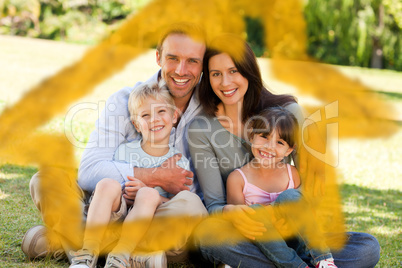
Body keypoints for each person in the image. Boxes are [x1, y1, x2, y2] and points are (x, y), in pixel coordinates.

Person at [188, 33, 380, 267]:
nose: (225, 83)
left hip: (296, 235)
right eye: (216, 74)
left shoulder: (288, 112)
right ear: (208, 79)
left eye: (233, 71)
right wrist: (231, 213)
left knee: (368, 248)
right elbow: (214, 206)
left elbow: (314, 190)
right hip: (252, 236)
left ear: (249, 71)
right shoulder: (201, 128)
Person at [22, 23, 208, 265]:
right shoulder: (123, 101)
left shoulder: (211, 111)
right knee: (46, 181)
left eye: (192, 61)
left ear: (203, 65)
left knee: (192, 207)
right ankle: (128, 256)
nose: (181, 70)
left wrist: (152, 196)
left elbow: (197, 195)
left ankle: (75, 246)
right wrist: (156, 176)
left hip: (157, 219)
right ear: (158, 57)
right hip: (108, 210)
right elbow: (89, 172)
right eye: (173, 58)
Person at [69, 81, 192, 268]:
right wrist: (129, 191)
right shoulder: (124, 151)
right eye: (145, 115)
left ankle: (120, 254)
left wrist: (151, 196)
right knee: (107, 184)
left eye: (161, 112)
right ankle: (88, 253)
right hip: (119, 214)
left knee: (148, 194)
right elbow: (115, 189)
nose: (154, 119)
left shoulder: (179, 162)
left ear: (174, 115)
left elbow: (177, 204)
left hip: (149, 223)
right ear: (135, 123)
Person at [226, 107, 337, 268]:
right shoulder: (237, 179)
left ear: (289, 150)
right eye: (264, 137)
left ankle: (324, 260)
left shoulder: (293, 174)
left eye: (280, 142)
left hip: (296, 241)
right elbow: (240, 225)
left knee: (291, 197)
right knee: (253, 213)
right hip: (264, 245)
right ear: (251, 136)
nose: (269, 147)